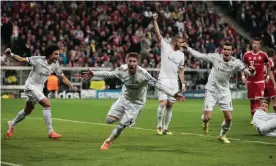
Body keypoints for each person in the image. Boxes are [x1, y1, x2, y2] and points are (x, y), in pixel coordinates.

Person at [81, 52, 185, 150]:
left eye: (134, 61)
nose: (131, 63)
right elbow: (110, 74)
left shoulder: (143, 74)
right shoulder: (122, 70)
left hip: (137, 104)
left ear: (137, 63)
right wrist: (94, 73)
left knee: (121, 126)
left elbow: (158, 85)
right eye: (130, 61)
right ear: (127, 61)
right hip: (124, 98)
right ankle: (129, 119)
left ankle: (108, 141)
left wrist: (174, 94)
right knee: (109, 120)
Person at [182, 42, 255, 143]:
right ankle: (205, 121)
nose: (226, 51)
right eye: (225, 49)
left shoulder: (236, 62)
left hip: (224, 91)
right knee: (207, 117)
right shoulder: (215, 57)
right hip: (211, 90)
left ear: (232, 51)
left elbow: (249, 72)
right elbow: (200, 56)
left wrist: (252, 71)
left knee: (229, 118)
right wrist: (188, 48)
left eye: (228, 50)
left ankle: (222, 135)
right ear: (222, 50)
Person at [4, 45, 76, 139]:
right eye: (56, 54)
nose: (58, 56)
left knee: (27, 111)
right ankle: (51, 131)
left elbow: (62, 77)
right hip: (30, 86)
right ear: (50, 54)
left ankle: (11, 124)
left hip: (39, 89)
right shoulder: (37, 60)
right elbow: (21, 59)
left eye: (58, 54)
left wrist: (71, 85)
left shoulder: (55, 64)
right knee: (47, 104)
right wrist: (11, 54)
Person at [152, 13, 185, 135]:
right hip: (163, 79)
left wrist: (183, 84)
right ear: (175, 42)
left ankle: (166, 128)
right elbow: (158, 34)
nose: (182, 44)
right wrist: (155, 21)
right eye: (180, 42)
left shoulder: (181, 55)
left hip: (174, 81)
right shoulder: (165, 47)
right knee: (163, 103)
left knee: (170, 105)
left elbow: (181, 70)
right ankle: (159, 126)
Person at [241, 38, 270, 124]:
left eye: (257, 43)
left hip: (260, 80)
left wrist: (267, 76)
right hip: (250, 80)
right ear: (252, 44)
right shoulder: (247, 55)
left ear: (259, 45)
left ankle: (260, 117)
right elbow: (242, 66)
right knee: (252, 100)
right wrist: (243, 76)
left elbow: (268, 65)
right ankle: (253, 118)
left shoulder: (263, 55)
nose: (255, 45)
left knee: (259, 99)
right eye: (254, 43)